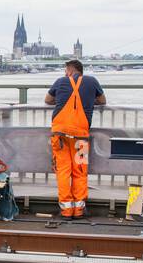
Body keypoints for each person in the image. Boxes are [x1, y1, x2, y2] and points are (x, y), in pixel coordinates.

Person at [44, 59, 106, 218]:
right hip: (81, 136)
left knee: (63, 171)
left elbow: (47, 100)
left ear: (70, 70)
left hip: (60, 135)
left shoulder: (60, 81)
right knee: (79, 171)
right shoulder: (92, 81)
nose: (65, 74)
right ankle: (79, 209)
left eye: (66, 71)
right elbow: (102, 101)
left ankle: (66, 209)